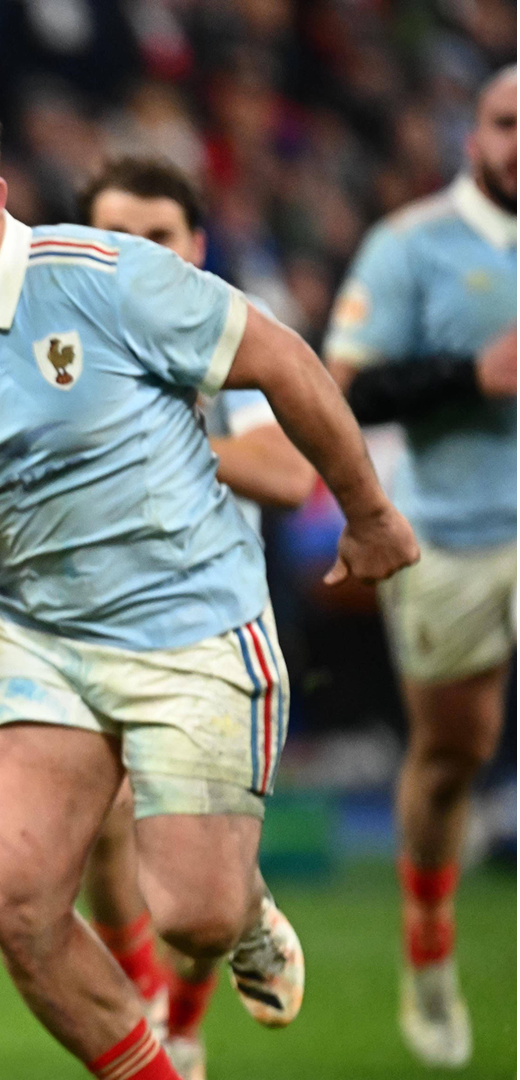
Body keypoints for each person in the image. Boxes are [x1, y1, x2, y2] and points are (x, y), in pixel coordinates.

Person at [0, 91, 417, 1080]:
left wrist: (369, 513)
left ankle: (239, 910)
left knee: (193, 917)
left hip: (193, 626)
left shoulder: (107, 276)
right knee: (15, 904)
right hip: (40, 641)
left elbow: (284, 362)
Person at [75, 154, 317, 1078]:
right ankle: (156, 1011)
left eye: (160, 236)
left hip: (210, 630)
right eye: (117, 235)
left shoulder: (228, 338)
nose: (140, 253)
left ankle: (188, 1002)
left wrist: (162, 442)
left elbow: (289, 473)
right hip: (87, 620)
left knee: (186, 869)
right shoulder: (49, 347)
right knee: (102, 827)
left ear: (198, 246)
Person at [324, 64, 517, 1071]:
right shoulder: (411, 245)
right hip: (454, 532)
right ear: (472, 136)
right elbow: (343, 388)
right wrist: (469, 374)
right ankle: (430, 946)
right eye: (507, 123)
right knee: (453, 754)